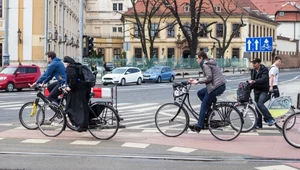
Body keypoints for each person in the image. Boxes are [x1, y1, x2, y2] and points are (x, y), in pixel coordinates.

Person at [188, 51, 227, 133]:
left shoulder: (205, 64)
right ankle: (210, 111)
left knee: (203, 105)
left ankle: (199, 126)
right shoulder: (208, 63)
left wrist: (197, 81)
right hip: (218, 85)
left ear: (201, 58)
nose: (196, 60)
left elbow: (209, 77)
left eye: (197, 58)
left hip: (216, 87)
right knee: (200, 93)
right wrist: (196, 80)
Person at [63, 56, 91, 132]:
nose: (64, 65)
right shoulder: (77, 66)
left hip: (78, 90)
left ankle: (80, 125)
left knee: (71, 107)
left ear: (67, 63)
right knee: (83, 107)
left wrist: (70, 87)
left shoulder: (70, 68)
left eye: (64, 63)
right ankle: (84, 125)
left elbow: (73, 77)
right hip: (85, 88)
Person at [249, 58, 275, 128]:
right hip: (256, 90)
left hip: (264, 90)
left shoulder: (264, 70)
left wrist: (254, 81)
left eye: (255, 63)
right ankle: (258, 124)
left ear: (259, 63)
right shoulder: (253, 71)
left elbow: (263, 79)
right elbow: (252, 81)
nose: (253, 64)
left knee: (260, 103)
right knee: (257, 107)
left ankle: (270, 119)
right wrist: (248, 88)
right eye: (252, 63)